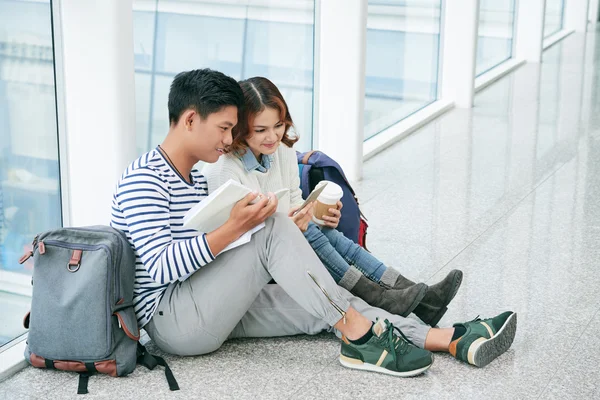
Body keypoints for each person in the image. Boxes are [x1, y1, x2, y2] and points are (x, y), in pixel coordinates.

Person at [110, 69, 517, 378]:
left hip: (207, 300)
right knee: (273, 227)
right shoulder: (143, 179)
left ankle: (450, 339)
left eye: (232, 129)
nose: (228, 138)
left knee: (319, 303)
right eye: (224, 128)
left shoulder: (194, 177)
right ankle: (357, 337)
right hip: (172, 322)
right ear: (189, 120)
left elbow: (211, 254)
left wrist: (246, 230)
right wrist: (237, 228)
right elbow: (161, 266)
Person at [202, 77, 461, 326]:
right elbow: (240, 237)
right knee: (310, 233)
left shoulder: (282, 150)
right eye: (261, 130)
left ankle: (420, 298)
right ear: (240, 129)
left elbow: (294, 201)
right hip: (248, 262)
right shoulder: (225, 170)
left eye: (278, 125)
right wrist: (296, 226)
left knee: (322, 230)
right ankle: (389, 297)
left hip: (285, 245)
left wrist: (314, 215)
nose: (273, 136)